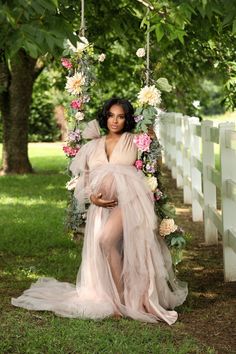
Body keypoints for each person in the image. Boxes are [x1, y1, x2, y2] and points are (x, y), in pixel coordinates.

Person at [12, 98, 187, 325]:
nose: (115, 120)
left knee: (106, 240)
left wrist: (152, 138)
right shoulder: (92, 145)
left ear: (127, 119)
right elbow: (83, 178)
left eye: (121, 116)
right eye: (112, 115)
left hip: (129, 202)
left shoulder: (134, 140)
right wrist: (92, 197)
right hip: (100, 207)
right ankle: (115, 298)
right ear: (105, 117)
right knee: (106, 246)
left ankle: (126, 298)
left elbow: (154, 165)